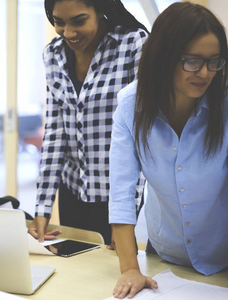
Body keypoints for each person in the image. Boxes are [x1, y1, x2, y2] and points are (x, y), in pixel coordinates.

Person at [109, 2, 228, 299]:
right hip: (164, 256)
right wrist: (129, 268)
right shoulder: (130, 105)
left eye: (215, 61)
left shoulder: (223, 105)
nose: (205, 73)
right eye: (193, 61)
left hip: (223, 257)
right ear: (164, 57)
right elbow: (122, 192)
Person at [28, 0, 148, 246]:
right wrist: (42, 207)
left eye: (79, 21)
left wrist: (125, 217)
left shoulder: (134, 44)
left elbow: (141, 134)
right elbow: (55, 133)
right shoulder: (53, 54)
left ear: (102, 9)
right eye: (58, 22)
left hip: (117, 194)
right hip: (72, 189)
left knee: (114, 273)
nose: (68, 33)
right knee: (76, 268)